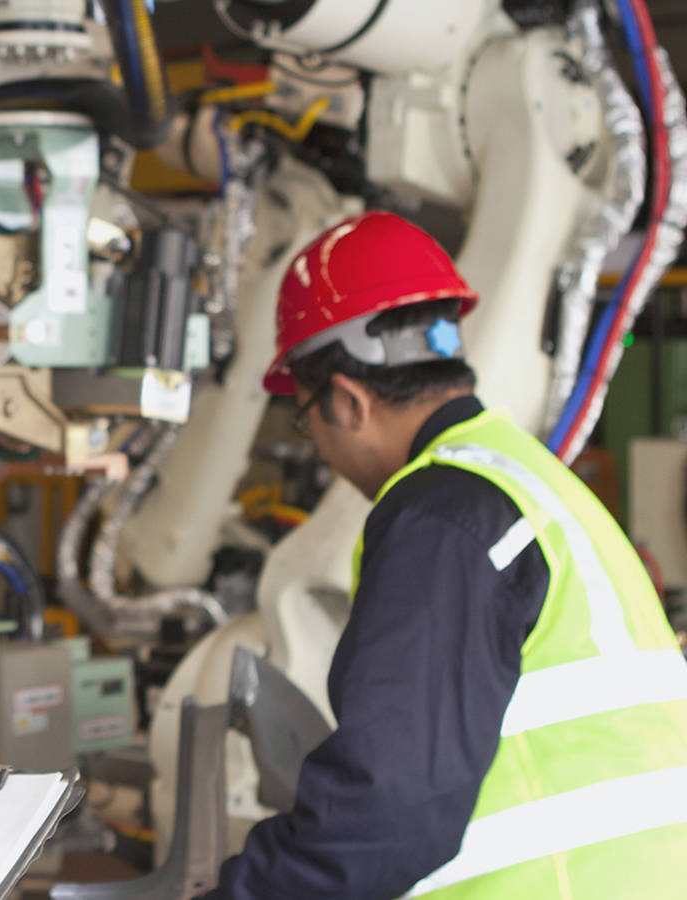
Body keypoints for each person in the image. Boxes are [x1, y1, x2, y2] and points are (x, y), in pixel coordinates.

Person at [205, 211, 687, 898]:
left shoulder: (442, 515)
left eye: (307, 419)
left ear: (347, 401)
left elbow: (386, 811)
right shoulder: (529, 480)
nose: (320, 446)